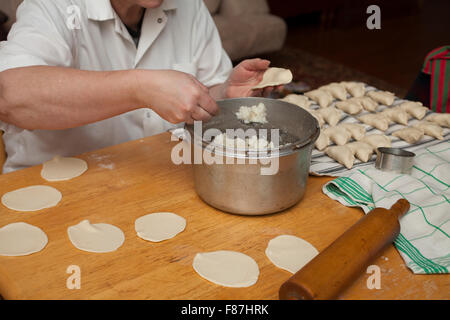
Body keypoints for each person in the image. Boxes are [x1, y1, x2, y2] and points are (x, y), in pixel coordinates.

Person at [0, 0, 276, 173]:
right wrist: (140, 88)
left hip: (152, 177)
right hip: (55, 189)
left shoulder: (189, 6)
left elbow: (204, 88)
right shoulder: (54, 5)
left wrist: (225, 92)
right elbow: (11, 96)